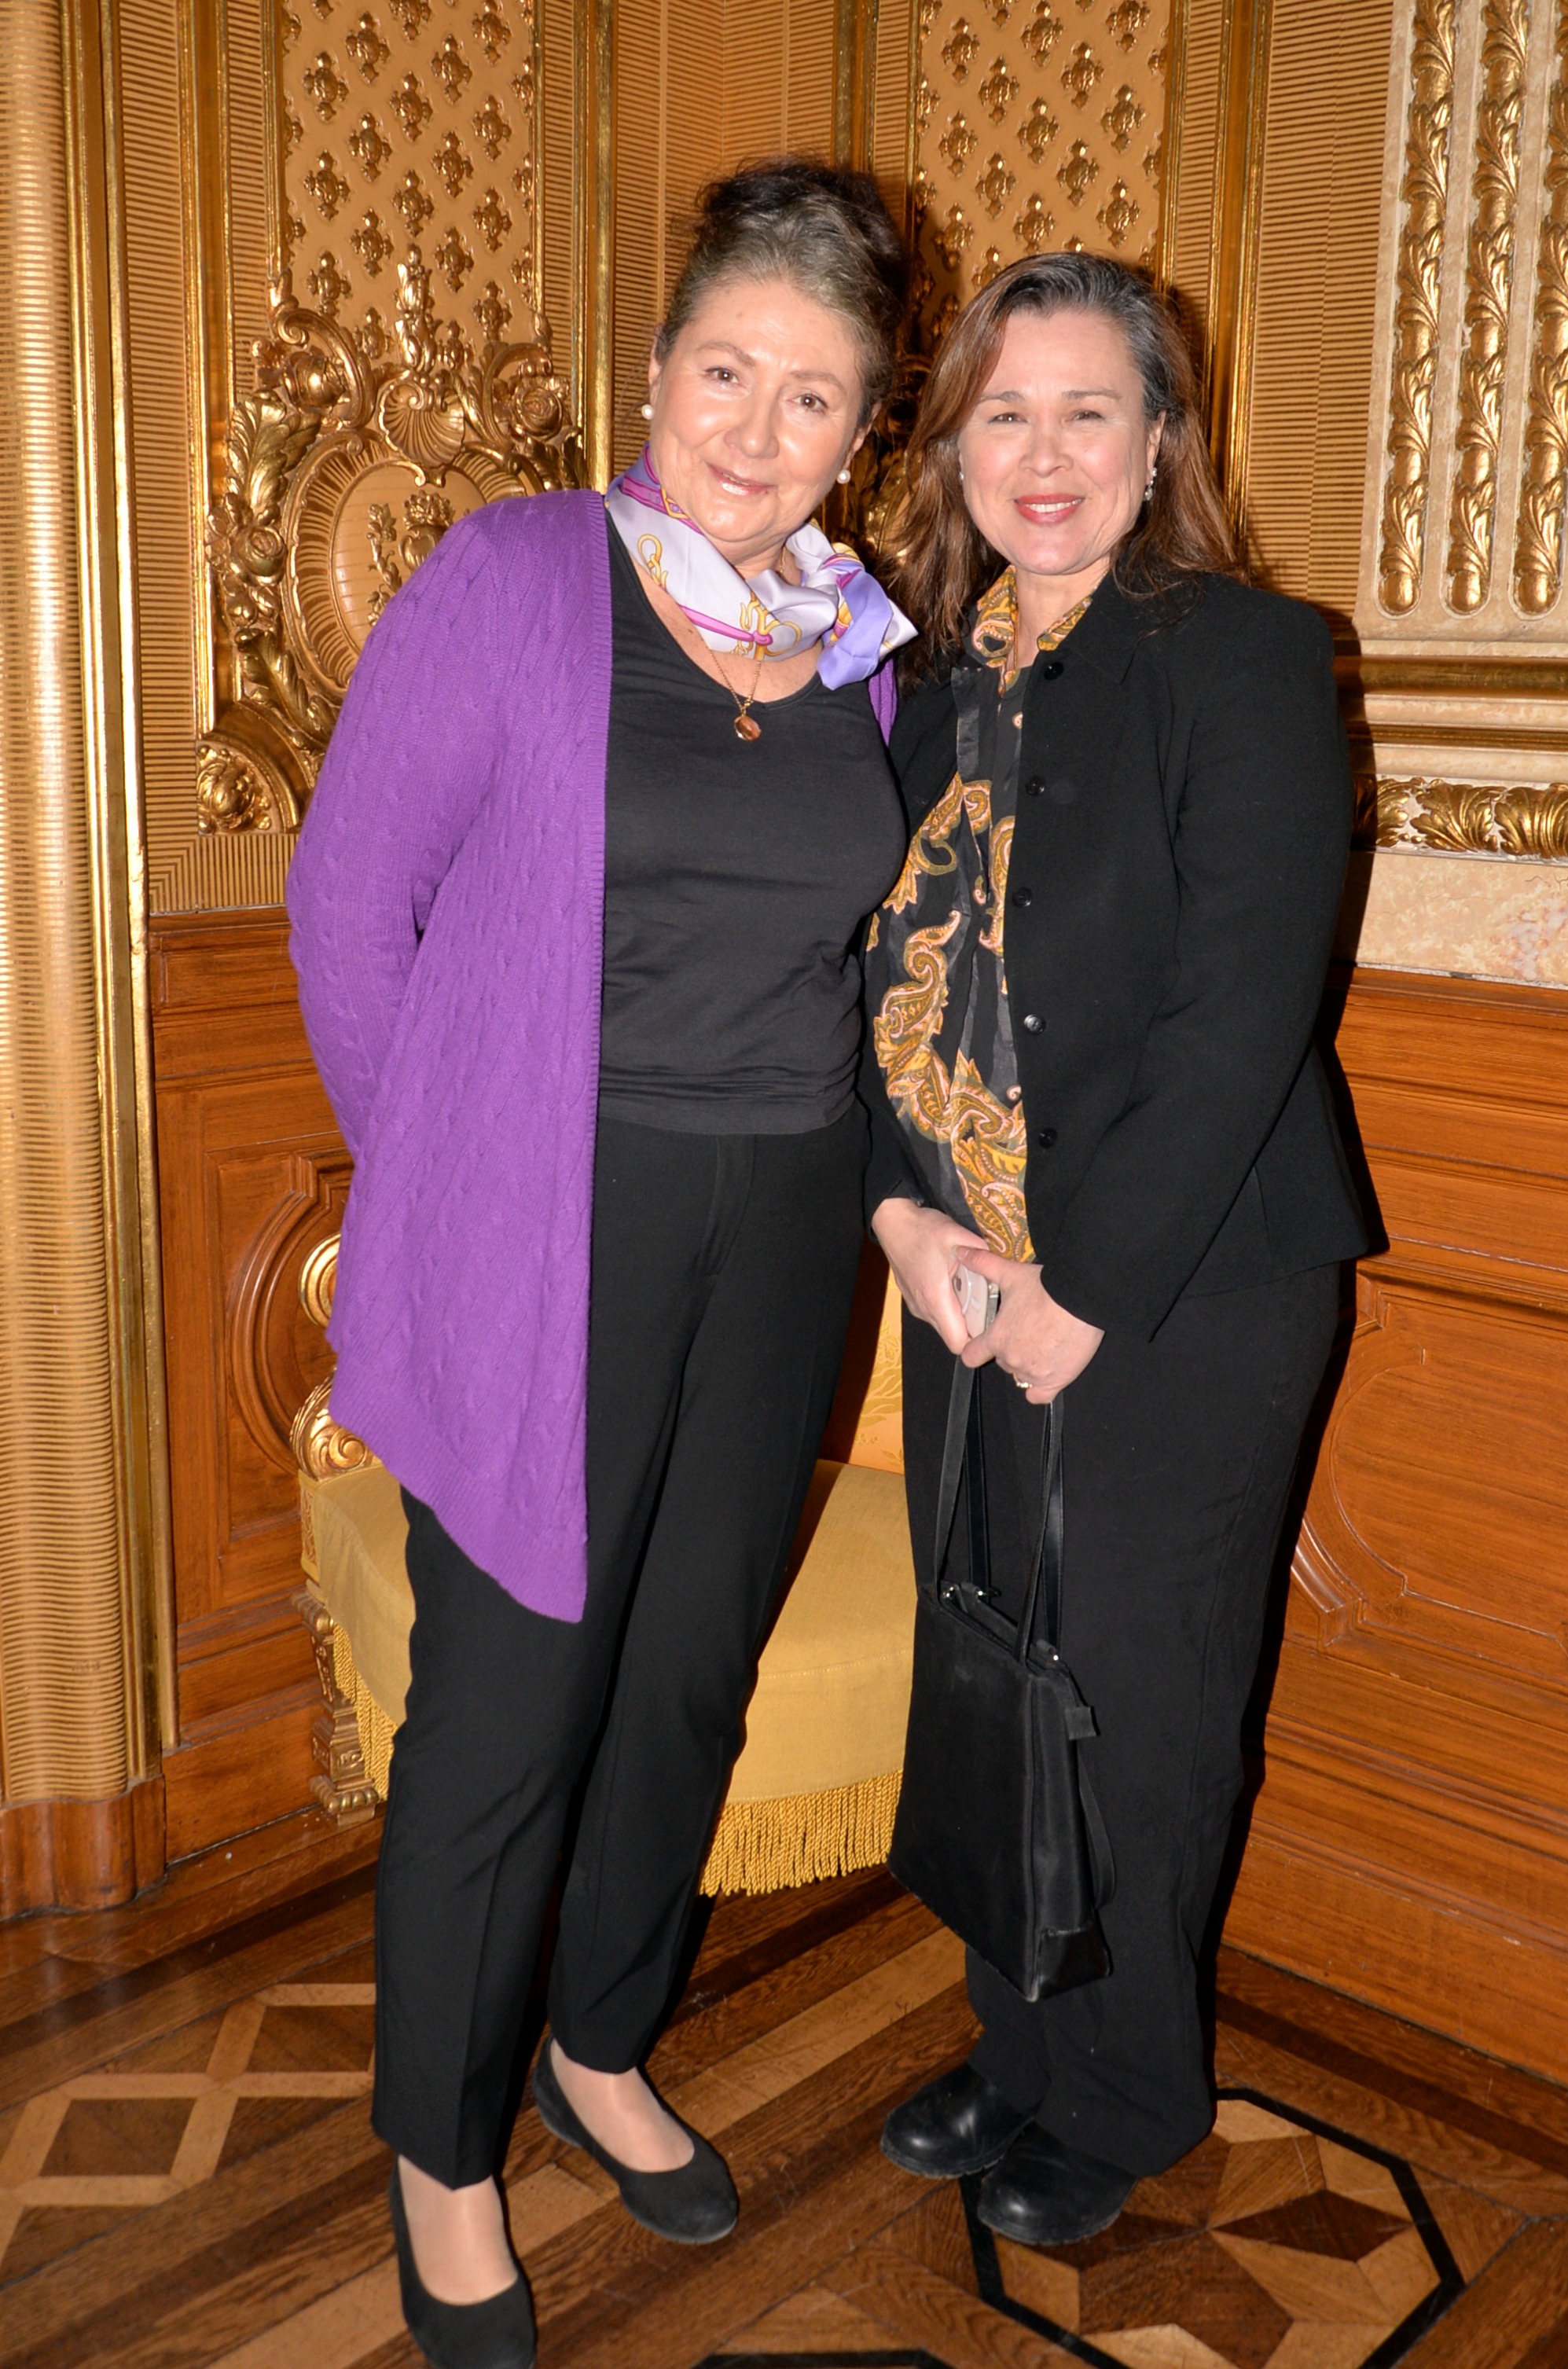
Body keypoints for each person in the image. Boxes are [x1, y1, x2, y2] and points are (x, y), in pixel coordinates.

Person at [287, 159, 914, 2369]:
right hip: (551, 1208)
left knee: (683, 1674)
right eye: (726, 371)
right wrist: (449, 1185)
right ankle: (443, 2150)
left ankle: (601, 2037)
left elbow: (855, 954)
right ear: (654, 373)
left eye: (812, 396)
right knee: (511, 1701)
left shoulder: (856, 644)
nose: (758, 428)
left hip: (787, 1213)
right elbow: (348, 908)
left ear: (863, 433)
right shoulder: (517, 576)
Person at [861, 251, 1367, 2249]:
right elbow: (865, 979)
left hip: (1186, 1287)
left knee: (1138, 1699)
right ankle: (1017, 2042)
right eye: (1002, 412)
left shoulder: (1242, 657)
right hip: (960, 1272)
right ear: (952, 448)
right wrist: (900, 1215)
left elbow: (1241, 1012)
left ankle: (1132, 2087)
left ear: (1160, 441)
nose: (1043, 452)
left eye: (1089, 409)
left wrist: (1080, 1294)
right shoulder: (919, 686)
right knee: (992, 1661)